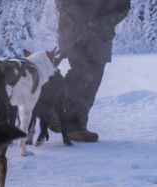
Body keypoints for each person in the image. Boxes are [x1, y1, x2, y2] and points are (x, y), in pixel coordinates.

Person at [50, 0, 131, 142]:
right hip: (74, 31)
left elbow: (123, 7)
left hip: (102, 34)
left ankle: (76, 127)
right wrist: (79, 23)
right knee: (81, 72)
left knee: (94, 79)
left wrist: (103, 23)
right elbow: (62, 3)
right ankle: (53, 110)